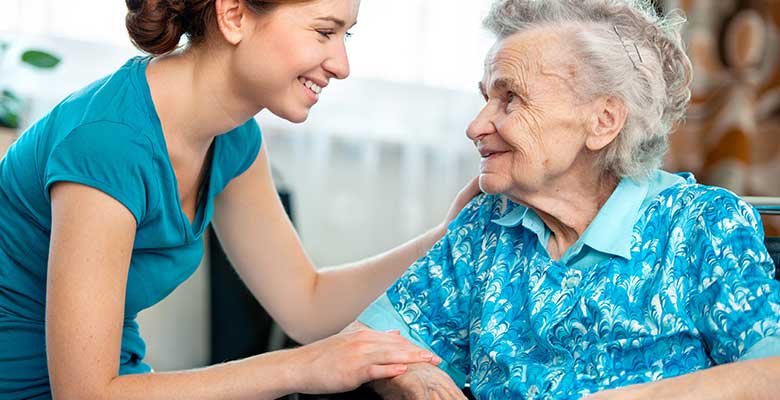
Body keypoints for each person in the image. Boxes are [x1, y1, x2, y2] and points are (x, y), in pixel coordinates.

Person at [0, 0, 481, 398]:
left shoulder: (233, 139)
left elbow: (305, 303)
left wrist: (445, 239)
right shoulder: (109, 144)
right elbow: (85, 395)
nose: (341, 65)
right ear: (234, 15)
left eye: (345, 36)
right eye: (323, 31)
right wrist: (302, 367)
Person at [352, 0, 780, 399]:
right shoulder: (487, 224)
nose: (476, 126)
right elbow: (369, 343)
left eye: (510, 98)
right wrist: (413, 376)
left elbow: (771, 371)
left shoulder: (700, 223)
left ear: (603, 121)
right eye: (486, 99)